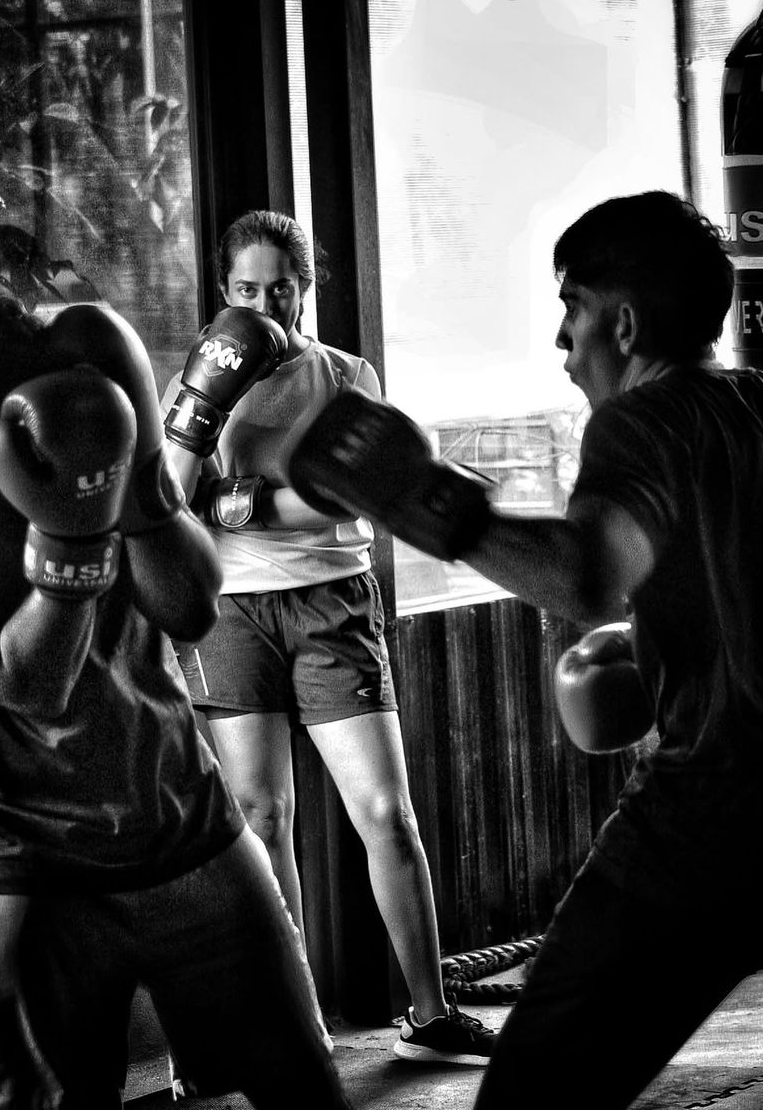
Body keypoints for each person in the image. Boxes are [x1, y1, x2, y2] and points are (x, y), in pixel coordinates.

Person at [285, 188, 763, 1109]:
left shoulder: (642, 419)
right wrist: (672, 643)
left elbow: (585, 574)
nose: (563, 341)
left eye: (573, 308)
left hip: (708, 815)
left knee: (532, 1091)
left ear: (624, 323)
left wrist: (421, 502)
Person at [0, 291, 351, 1110]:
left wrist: (132, 476)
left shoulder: (74, 410)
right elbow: (28, 683)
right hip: (21, 869)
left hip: (183, 821)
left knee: (303, 1082)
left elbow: (190, 607)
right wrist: (70, 531)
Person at [161, 208, 496, 1066]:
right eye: (246, 290)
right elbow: (168, 497)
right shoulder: (197, 374)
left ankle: (430, 1015)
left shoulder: (345, 373)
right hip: (231, 609)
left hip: (333, 604)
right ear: (224, 291)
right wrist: (206, 416)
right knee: (263, 817)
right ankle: (297, 1026)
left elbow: (357, 495)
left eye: (280, 288)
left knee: (386, 812)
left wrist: (236, 502)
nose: (264, 305)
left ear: (305, 289)